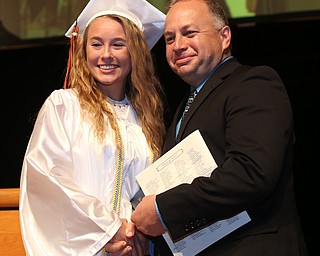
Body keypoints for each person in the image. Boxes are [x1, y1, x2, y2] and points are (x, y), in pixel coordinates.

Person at [130, 0, 309, 255]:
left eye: (189, 33)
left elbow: (251, 172)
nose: (178, 45)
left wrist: (163, 209)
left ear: (224, 37)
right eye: (169, 39)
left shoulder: (253, 83)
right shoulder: (184, 106)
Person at [18, 0, 166, 255]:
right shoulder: (65, 106)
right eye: (96, 44)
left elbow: (144, 190)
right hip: (85, 247)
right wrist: (109, 230)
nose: (106, 54)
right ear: (84, 50)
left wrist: (137, 232)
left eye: (118, 44)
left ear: (135, 53)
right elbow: (48, 179)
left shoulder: (144, 118)